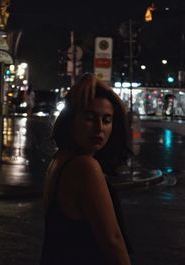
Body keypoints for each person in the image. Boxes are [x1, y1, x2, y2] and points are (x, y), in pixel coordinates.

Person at [40, 73, 132, 265]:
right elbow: (112, 240)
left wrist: (98, 83)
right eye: (90, 118)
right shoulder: (85, 167)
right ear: (71, 120)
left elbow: (121, 111)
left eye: (107, 120)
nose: (99, 128)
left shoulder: (61, 159)